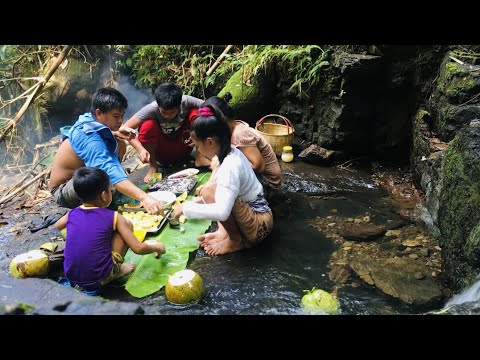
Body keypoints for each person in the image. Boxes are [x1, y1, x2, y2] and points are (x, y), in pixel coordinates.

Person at [171, 105, 273, 256]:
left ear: (210, 142)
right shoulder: (229, 153)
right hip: (254, 217)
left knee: (210, 190)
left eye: (198, 145)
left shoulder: (230, 166)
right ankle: (225, 233)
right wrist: (190, 203)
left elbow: (222, 212)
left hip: (258, 226)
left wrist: (185, 209)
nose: (197, 150)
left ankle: (235, 241)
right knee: (209, 190)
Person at [48, 87, 164, 215]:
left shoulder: (91, 120)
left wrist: (115, 133)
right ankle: (94, 212)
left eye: (122, 116)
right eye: (116, 116)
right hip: (64, 190)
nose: (120, 121)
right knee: (101, 177)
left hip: (82, 178)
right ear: (99, 113)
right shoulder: (89, 138)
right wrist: (144, 197)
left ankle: (108, 195)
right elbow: (108, 168)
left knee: (120, 143)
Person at [54, 167, 165, 292]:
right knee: (126, 226)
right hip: (99, 278)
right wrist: (157, 247)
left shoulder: (72, 213)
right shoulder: (113, 216)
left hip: (73, 276)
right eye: (110, 190)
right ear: (104, 195)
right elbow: (138, 248)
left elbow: (57, 226)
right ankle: (116, 271)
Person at [195, 93, 281, 190]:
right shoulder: (230, 130)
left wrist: (219, 164)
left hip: (267, 182)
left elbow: (259, 166)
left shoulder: (239, 133)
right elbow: (199, 161)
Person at [121, 82, 203, 183]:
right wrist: (141, 150)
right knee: (148, 125)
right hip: (162, 152)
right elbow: (124, 130)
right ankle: (153, 166)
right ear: (158, 105)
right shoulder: (151, 109)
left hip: (185, 144)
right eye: (164, 112)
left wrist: (197, 136)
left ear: (179, 105)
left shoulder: (186, 101)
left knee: (197, 113)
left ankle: (200, 156)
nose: (168, 116)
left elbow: (212, 106)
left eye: (172, 112)